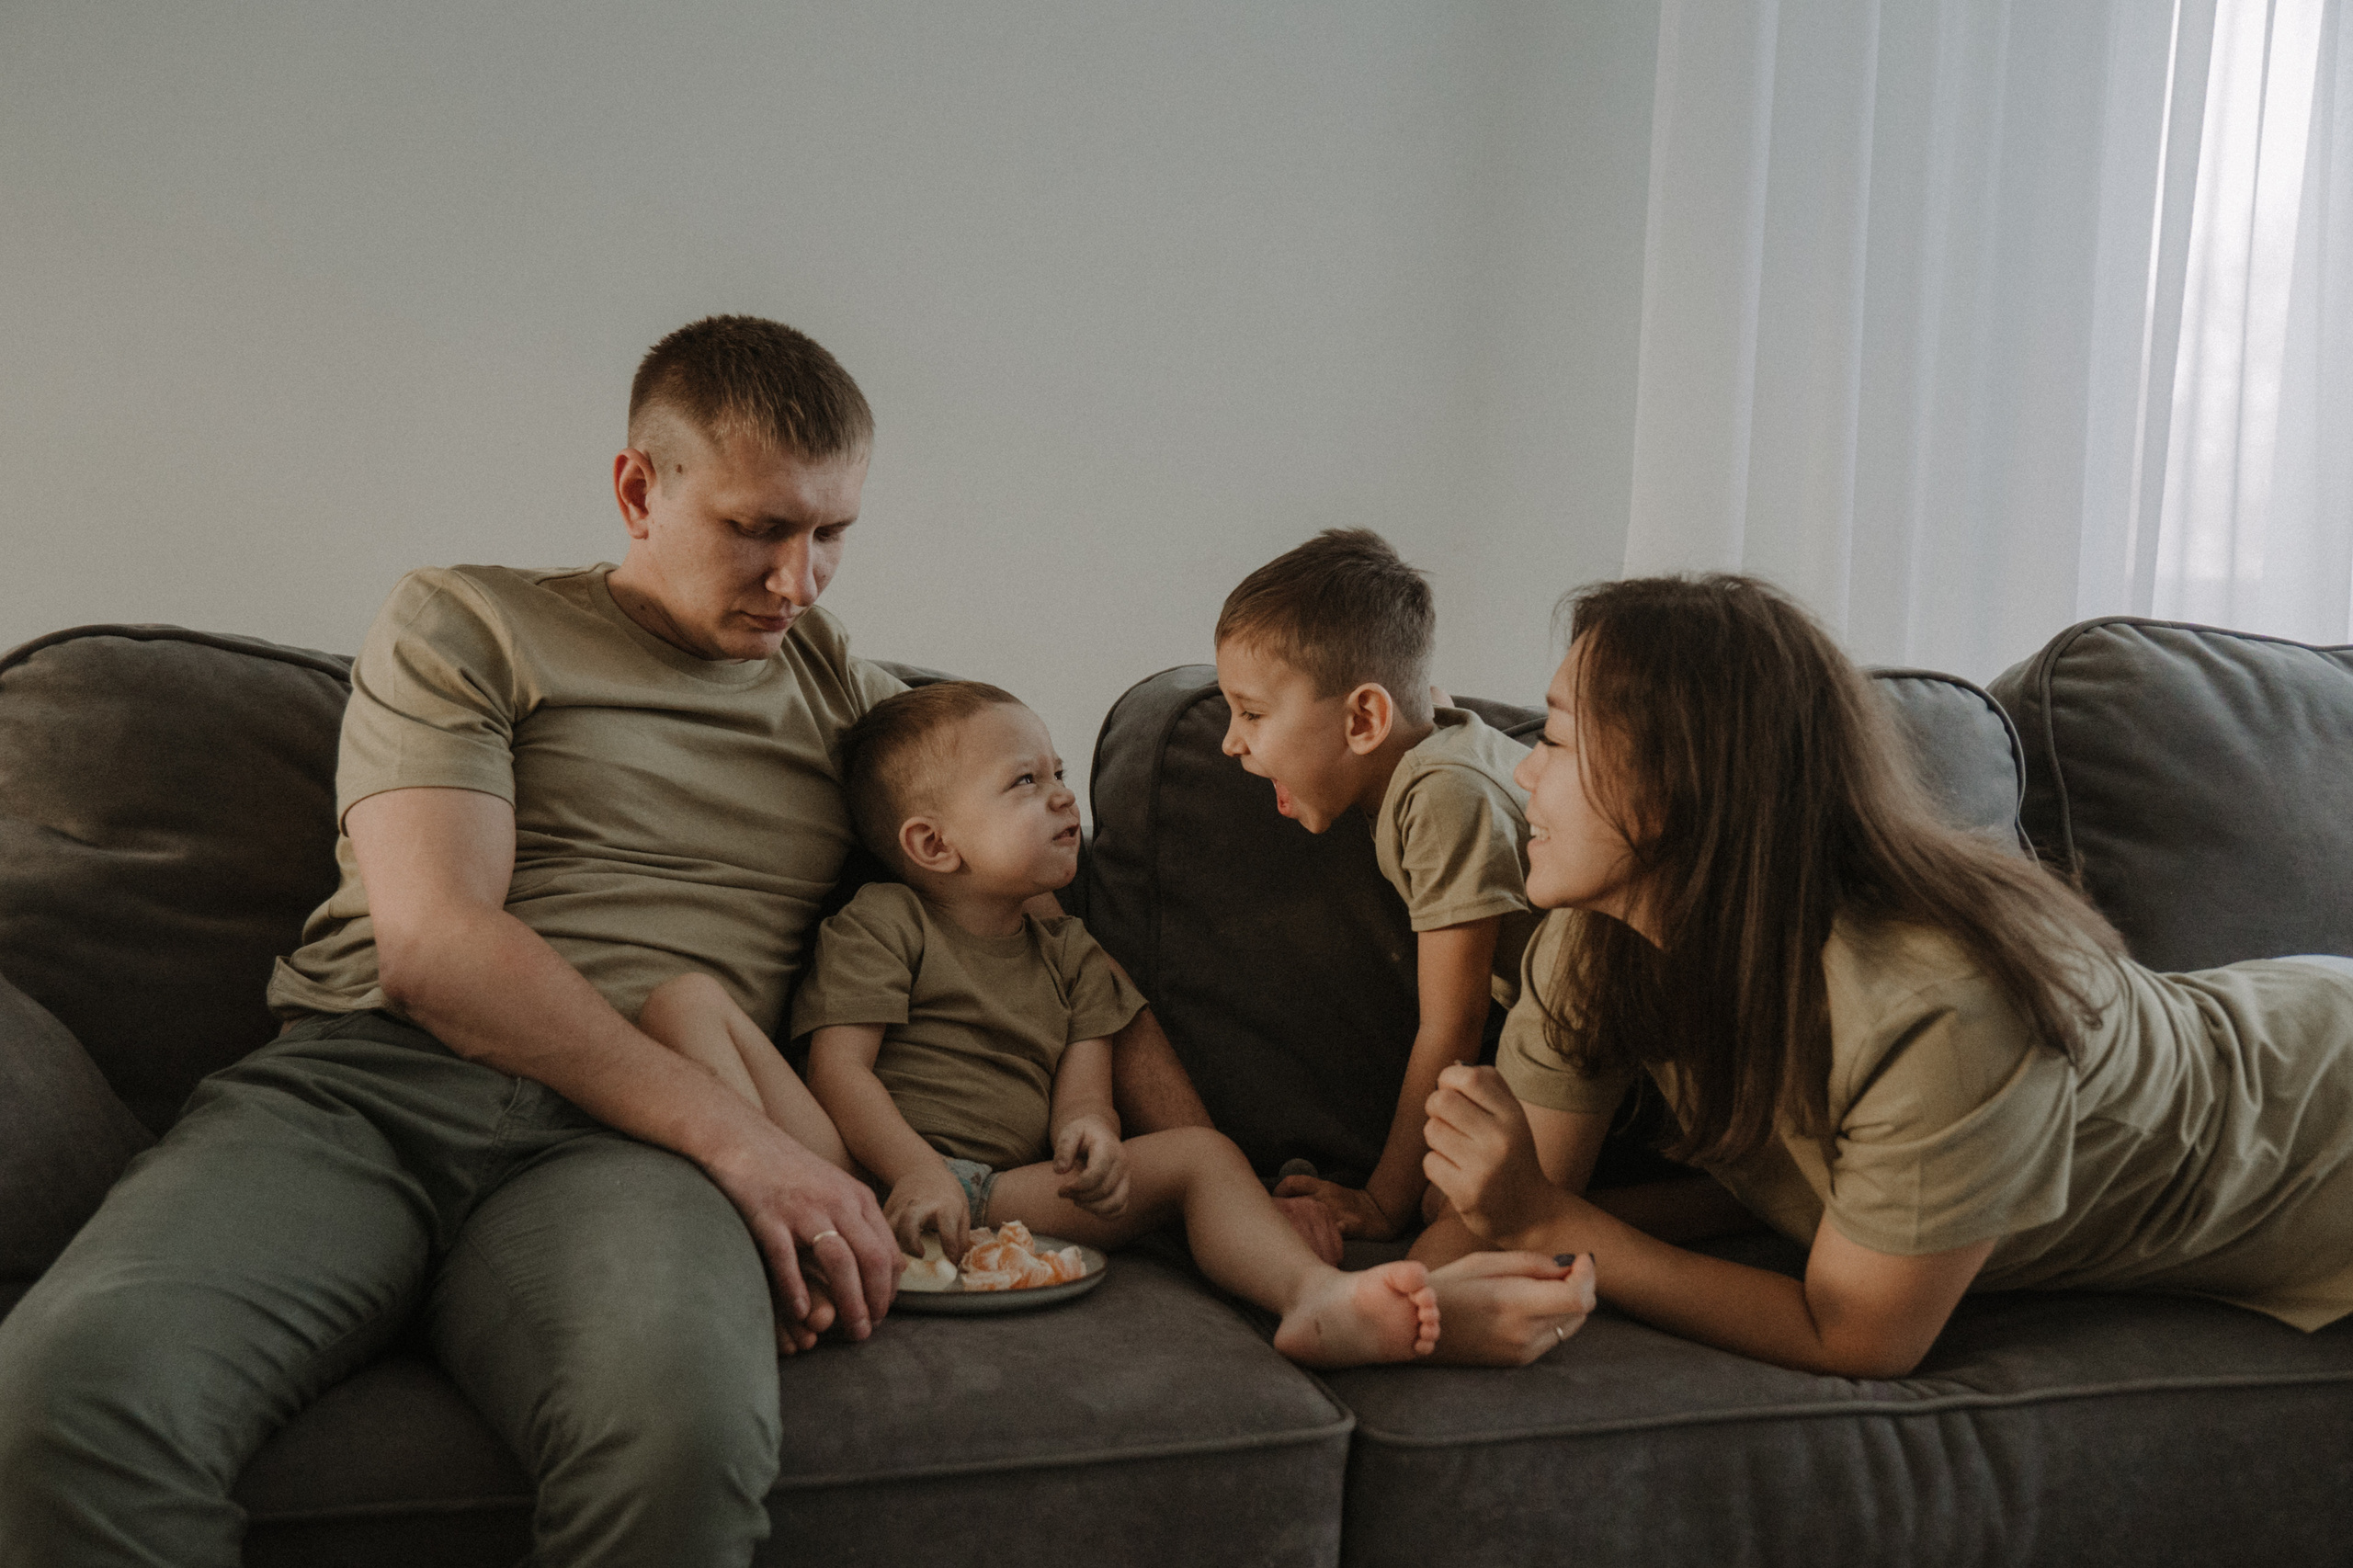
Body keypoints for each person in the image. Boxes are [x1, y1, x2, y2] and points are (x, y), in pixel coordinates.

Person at [0, 316, 1249, 1567]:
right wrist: (751, 1149)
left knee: (680, 1440)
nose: (798, 580)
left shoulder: (850, 705)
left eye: (831, 535)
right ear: (638, 488)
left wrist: (1223, 1162)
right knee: (68, 1401)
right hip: (362, 1092)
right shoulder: (466, 623)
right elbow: (435, 945)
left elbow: (1064, 948)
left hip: (627, 1159)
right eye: (759, 528)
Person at [1421, 572, 2353, 1375]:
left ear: (1677, 782)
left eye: (1552, 739)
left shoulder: (1942, 1002)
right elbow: (1490, 1213)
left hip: (2322, 1130)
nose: (1522, 776)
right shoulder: (1594, 933)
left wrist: (1547, 1222)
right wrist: (1384, 1295)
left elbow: (1856, 1336)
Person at [641, 681, 1444, 1369]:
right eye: (1025, 781)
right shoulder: (886, 921)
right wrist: (914, 1171)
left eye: (1059, 772)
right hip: (847, 1172)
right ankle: (792, 1247)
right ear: (931, 843)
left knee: (1204, 1153)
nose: (1064, 794)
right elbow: (839, 1073)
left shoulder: (1071, 951)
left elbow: (1086, 1081)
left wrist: (1088, 1137)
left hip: (997, 1195)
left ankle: (1312, 1296)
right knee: (684, 1001)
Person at [1212, 528, 1541, 1245]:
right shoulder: (1431, 744)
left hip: (1610, 1040)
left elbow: (1452, 1025)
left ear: (1364, 718)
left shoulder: (1442, 795)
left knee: (1439, 1216)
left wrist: (1383, 1200)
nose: (1230, 743)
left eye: (1253, 714)